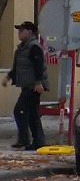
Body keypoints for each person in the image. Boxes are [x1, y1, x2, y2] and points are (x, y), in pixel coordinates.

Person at [3, 21, 48, 150]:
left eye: (21, 31)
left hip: (33, 86)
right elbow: (17, 67)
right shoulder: (22, 48)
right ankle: (38, 141)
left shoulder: (34, 47)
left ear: (29, 32)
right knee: (32, 113)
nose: (19, 33)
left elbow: (38, 66)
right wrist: (8, 77)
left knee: (20, 111)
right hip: (27, 85)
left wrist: (39, 83)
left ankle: (25, 140)